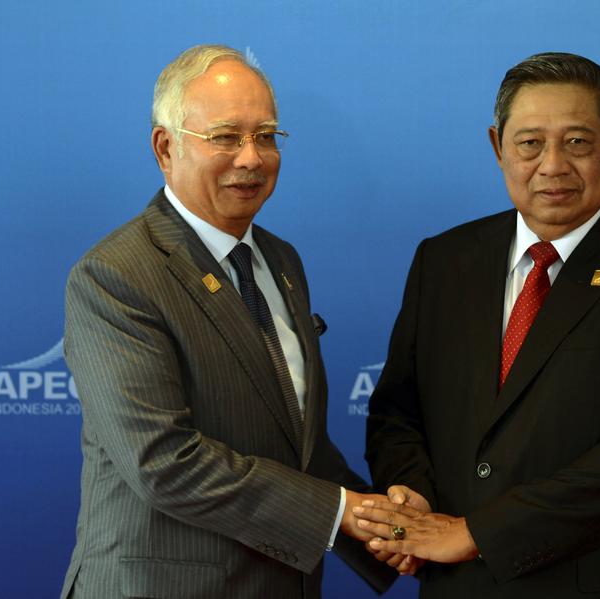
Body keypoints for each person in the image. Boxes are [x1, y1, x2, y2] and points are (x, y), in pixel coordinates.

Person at [359, 52, 600, 598]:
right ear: (497, 146)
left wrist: (475, 533)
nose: (553, 165)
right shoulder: (444, 259)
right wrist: (410, 498)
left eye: (578, 141)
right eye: (530, 142)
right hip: (464, 584)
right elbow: (397, 410)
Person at [60, 44, 397, 599]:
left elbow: (292, 444)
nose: (251, 157)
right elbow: (163, 462)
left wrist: (383, 522)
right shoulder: (115, 275)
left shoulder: (281, 260)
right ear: (165, 148)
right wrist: (340, 513)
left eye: (266, 136)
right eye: (225, 137)